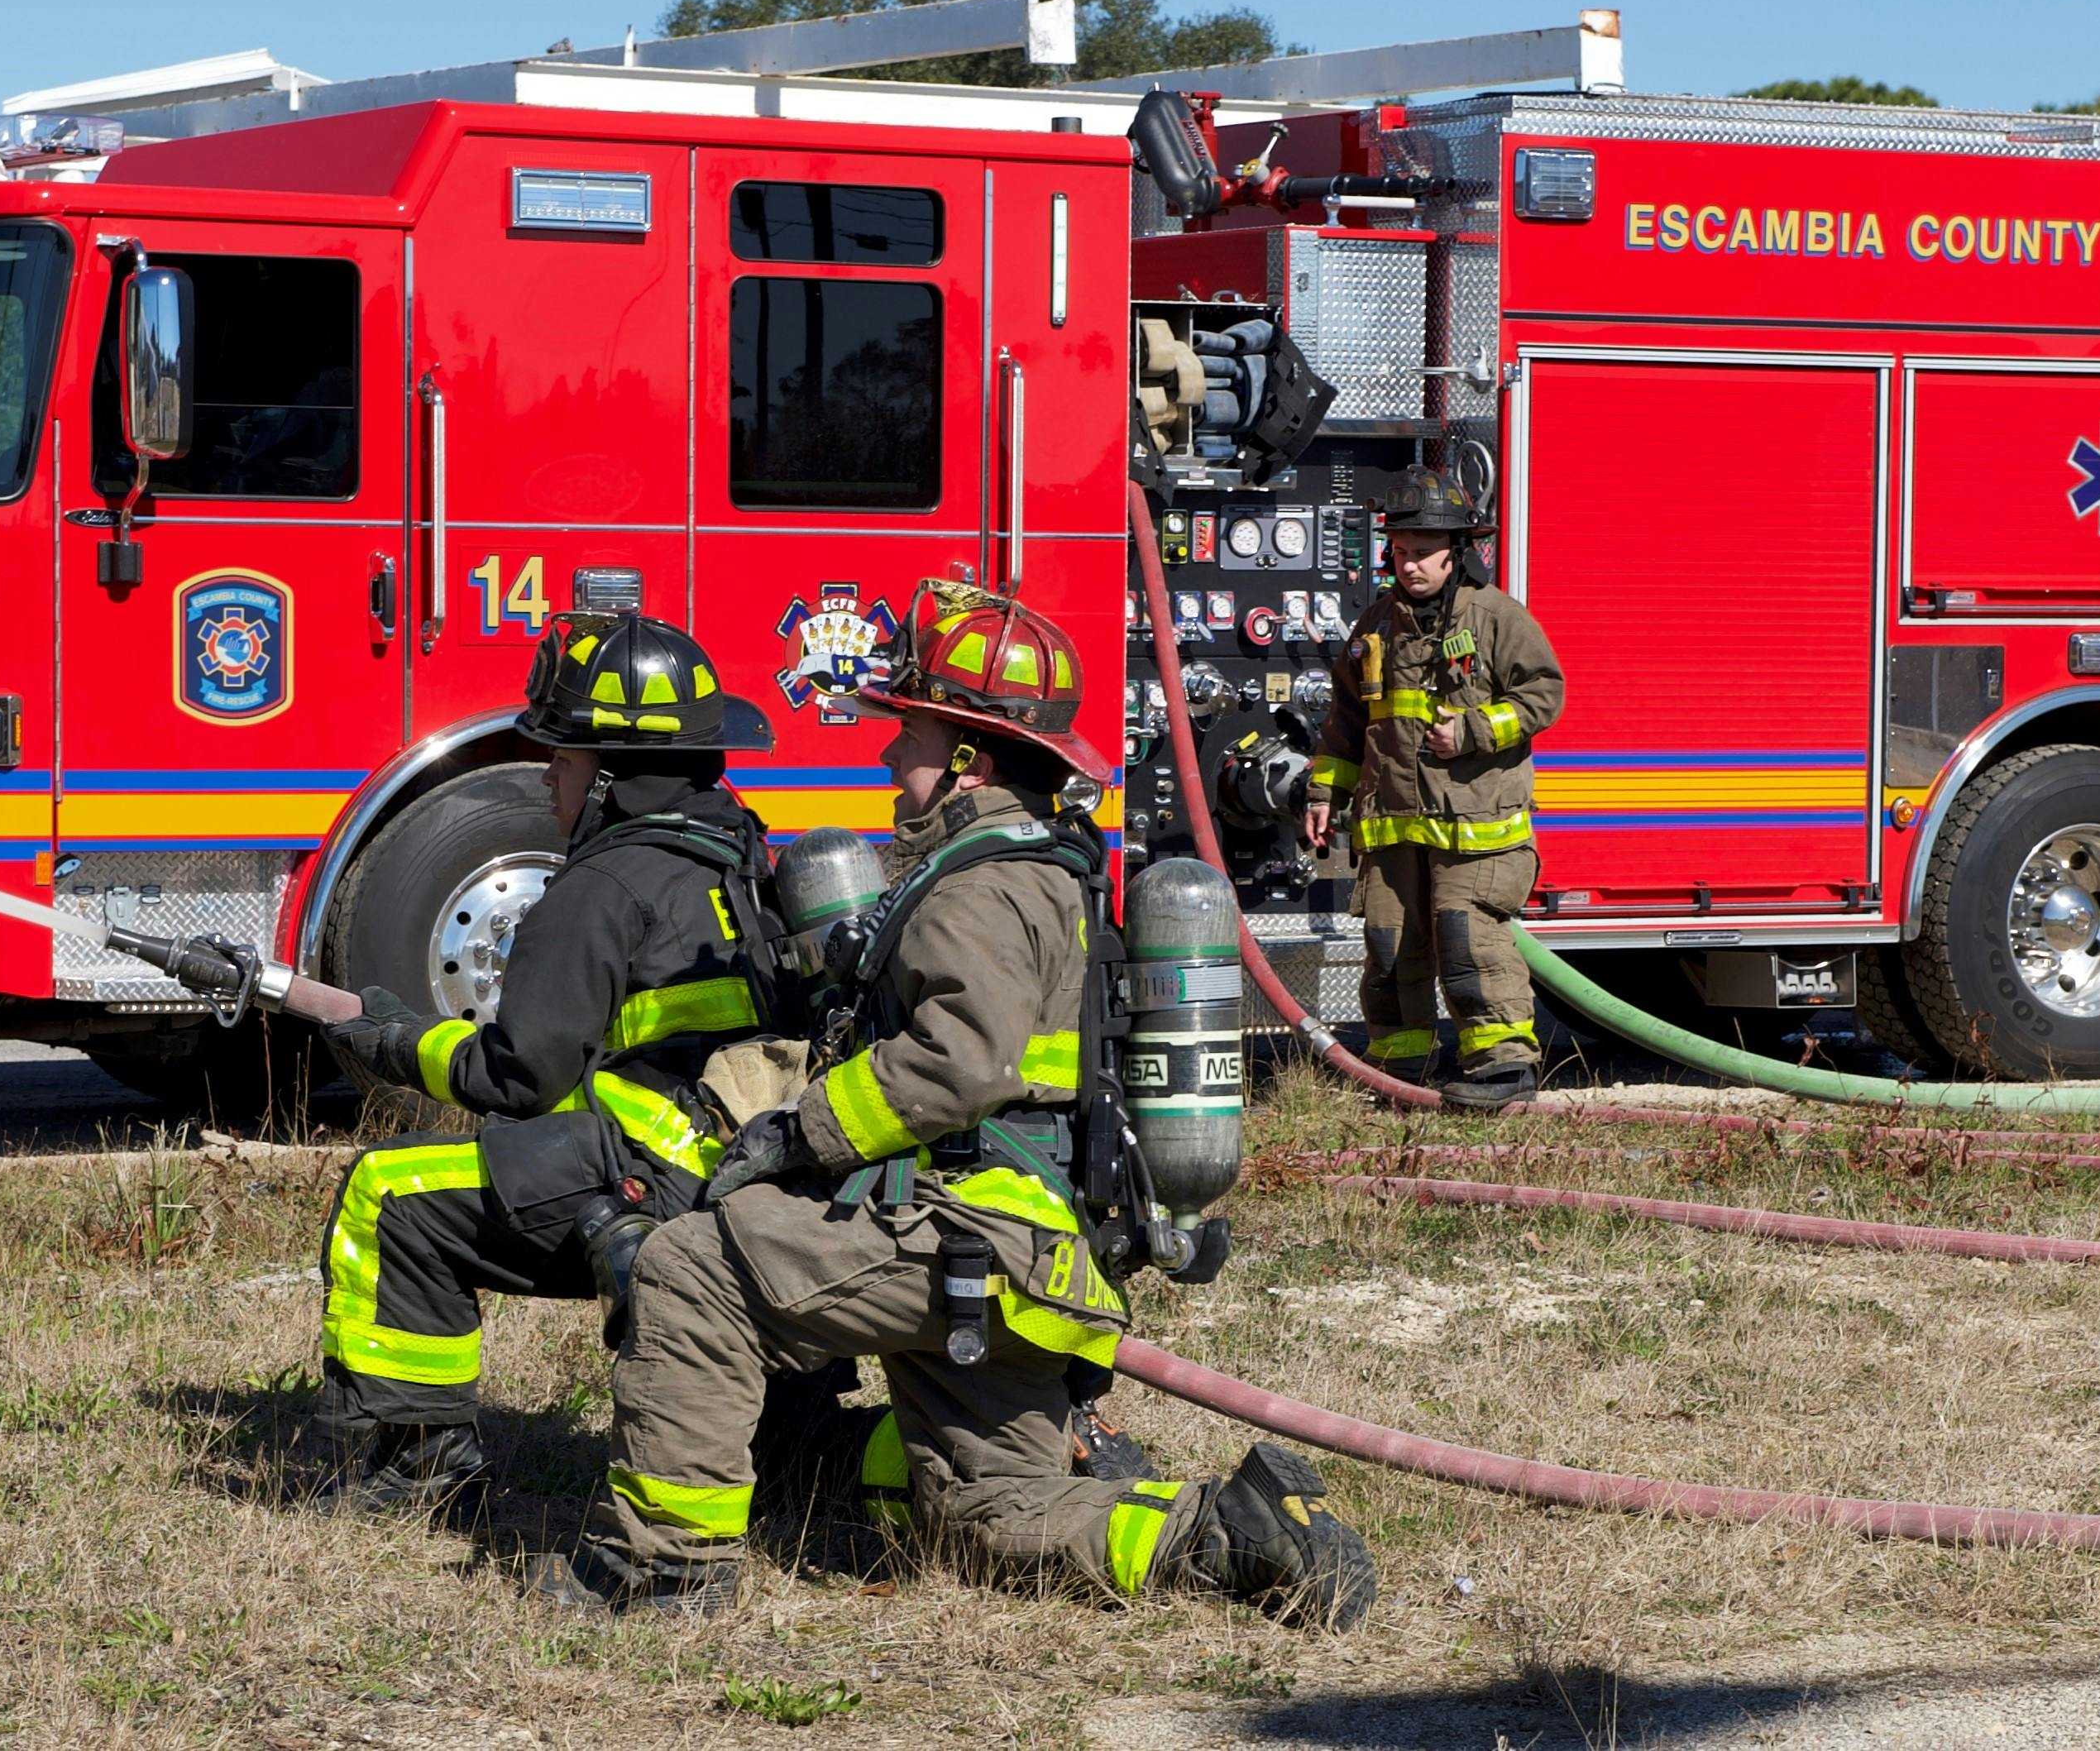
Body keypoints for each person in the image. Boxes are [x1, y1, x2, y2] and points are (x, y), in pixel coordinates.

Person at [522, 582, 1379, 1627]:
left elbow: (957, 1067)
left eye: (910, 736)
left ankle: (661, 1574)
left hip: (962, 1227)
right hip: (1017, 1252)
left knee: (690, 1268)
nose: (890, 760)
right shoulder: (1026, 865)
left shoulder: (977, 887)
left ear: (966, 761)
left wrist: (797, 1134)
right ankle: (1234, 1533)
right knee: (988, 1512)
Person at [308, 610, 781, 1514]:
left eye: (559, 759)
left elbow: (517, 1078)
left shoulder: (602, 887)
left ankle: (419, 1468)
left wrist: (392, 1038)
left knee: (390, 1192)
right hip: (750, 1174)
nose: (544, 777)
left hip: (651, 1176)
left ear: (606, 778)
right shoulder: (746, 854)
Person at [1305, 467, 1569, 1110]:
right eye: (1399, 551)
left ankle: (1504, 1071)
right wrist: (1321, 795)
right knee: (1390, 950)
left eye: (1423, 551)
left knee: (1468, 941)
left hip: (1475, 828)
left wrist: (1474, 729)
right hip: (1394, 827)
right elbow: (1345, 724)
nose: (1410, 563)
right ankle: (1402, 1074)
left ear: (1456, 550)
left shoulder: (1495, 617)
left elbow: (1545, 692)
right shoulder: (1375, 627)